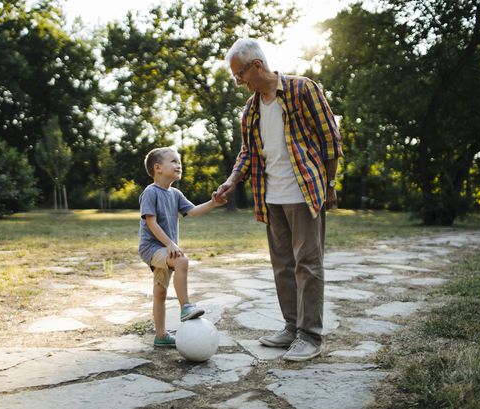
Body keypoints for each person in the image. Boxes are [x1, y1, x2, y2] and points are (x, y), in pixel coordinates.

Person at [216, 38, 343, 361]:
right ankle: (291, 327)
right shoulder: (250, 110)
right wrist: (231, 181)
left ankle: (310, 336)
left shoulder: (303, 89)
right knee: (282, 266)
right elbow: (247, 153)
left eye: (239, 74)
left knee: (308, 264)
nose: (238, 81)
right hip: (271, 196)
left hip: (305, 191)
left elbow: (330, 139)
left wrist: (329, 184)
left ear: (257, 66)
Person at [139, 146, 227, 348]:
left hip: (165, 248)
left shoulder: (175, 194)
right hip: (152, 247)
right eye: (174, 161)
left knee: (160, 292)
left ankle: (160, 336)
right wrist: (170, 243)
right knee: (181, 260)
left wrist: (213, 203)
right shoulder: (150, 192)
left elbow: (193, 211)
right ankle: (185, 307)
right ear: (158, 168)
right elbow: (151, 223)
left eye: (179, 162)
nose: (179, 165)